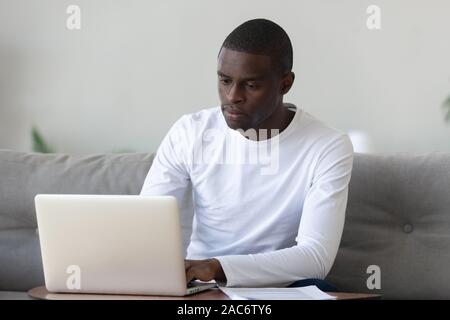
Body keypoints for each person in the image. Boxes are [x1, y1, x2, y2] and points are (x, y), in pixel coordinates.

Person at [140, 18, 354, 289]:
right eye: (224, 80)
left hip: (277, 286)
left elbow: (316, 257)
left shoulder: (328, 146)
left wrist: (216, 267)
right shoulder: (190, 131)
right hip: (200, 285)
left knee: (321, 289)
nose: (232, 96)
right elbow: (145, 229)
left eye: (250, 85)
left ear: (285, 83)